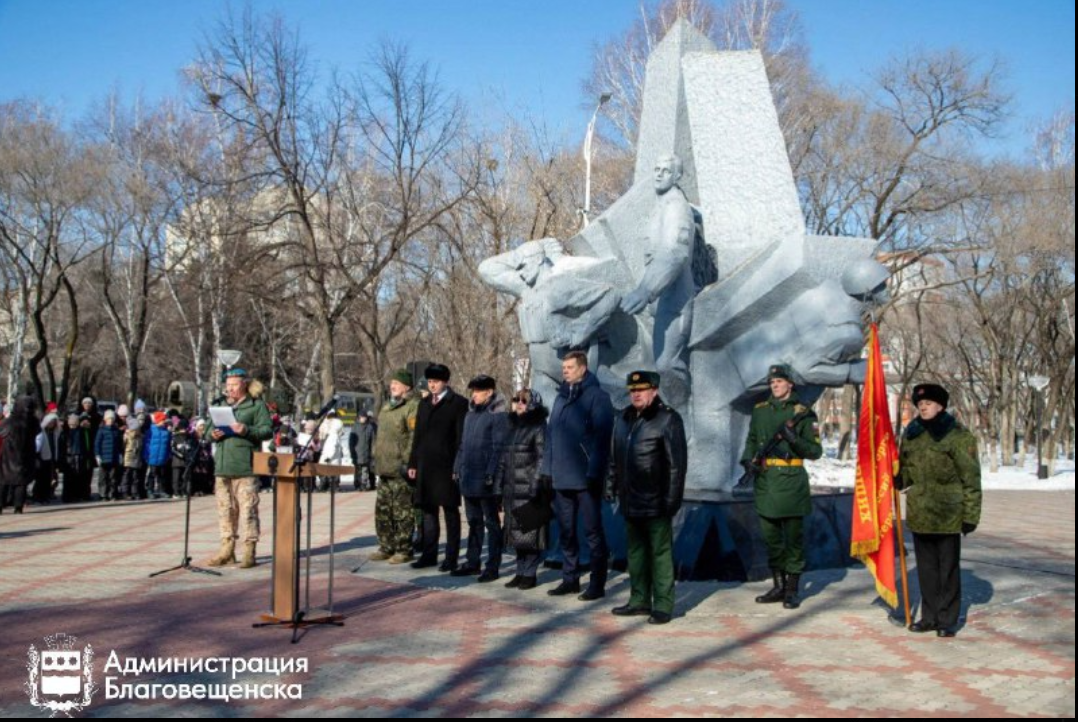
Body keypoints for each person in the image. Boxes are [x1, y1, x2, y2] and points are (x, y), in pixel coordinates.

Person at [898, 383, 982, 638]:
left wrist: (970, 515)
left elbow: (971, 478)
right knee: (926, 570)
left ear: (941, 406)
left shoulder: (958, 436)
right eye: (920, 404)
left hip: (948, 513)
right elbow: (906, 470)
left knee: (947, 569)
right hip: (921, 511)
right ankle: (929, 616)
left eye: (929, 404)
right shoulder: (911, 434)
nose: (923, 407)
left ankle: (947, 619)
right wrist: (898, 478)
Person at [740, 363, 822, 610]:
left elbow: (815, 451)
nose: (775, 386)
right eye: (772, 383)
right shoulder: (761, 410)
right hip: (766, 480)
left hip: (791, 479)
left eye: (779, 382)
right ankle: (778, 585)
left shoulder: (804, 413)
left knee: (793, 540)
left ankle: (792, 589)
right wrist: (748, 461)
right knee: (771, 538)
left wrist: (794, 439)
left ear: (790, 384)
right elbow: (752, 440)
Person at [617, 154, 696, 409]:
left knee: (666, 364)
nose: (659, 174)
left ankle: (682, 417)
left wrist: (645, 290)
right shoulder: (660, 206)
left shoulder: (676, 205)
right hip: (660, 298)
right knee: (655, 365)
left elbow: (675, 253)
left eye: (666, 170)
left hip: (675, 297)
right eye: (656, 169)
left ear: (676, 177)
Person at [608, 371, 687, 625]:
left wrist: (671, 500)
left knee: (660, 554)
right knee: (636, 554)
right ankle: (639, 600)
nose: (636, 394)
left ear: (654, 390)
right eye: (633, 390)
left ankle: (663, 604)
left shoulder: (668, 419)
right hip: (630, 499)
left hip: (656, 500)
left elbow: (676, 466)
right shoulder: (623, 418)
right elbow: (614, 458)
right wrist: (611, 485)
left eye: (641, 390)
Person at [541, 350, 615, 600]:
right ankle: (569, 579)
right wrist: (547, 470)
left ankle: (597, 583)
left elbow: (602, 439)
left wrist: (595, 471)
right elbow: (551, 437)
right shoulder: (560, 399)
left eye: (570, 367)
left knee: (593, 532)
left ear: (583, 368)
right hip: (562, 477)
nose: (565, 371)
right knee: (566, 531)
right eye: (564, 368)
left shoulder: (597, 397)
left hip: (585, 477)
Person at [207, 368, 273, 569]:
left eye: (234, 385)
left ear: (244, 384)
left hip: (246, 467)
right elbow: (208, 429)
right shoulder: (219, 405)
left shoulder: (256, 405)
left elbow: (267, 430)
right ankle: (227, 550)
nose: (230, 389)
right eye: (227, 385)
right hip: (223, 466)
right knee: (225, 510)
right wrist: (212, 434)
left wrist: (246, 430)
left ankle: (249, 550)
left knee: (248, 510)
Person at [409, 363, 469, 571]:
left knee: (450, 511)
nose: (432, 385)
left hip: (446, 466)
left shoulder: (458, 403)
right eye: (430, 382)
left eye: (436, 382)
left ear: (445, 382)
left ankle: (451, 557)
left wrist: (457, 465)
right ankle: (429, 553)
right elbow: (417, 437)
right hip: (426, 465)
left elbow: (461, 437)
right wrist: (413, 462)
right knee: (427, 511)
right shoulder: (423, 404)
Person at [452, 375, 509, 582]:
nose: (474, 395)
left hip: (486, 480)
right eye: (473, 391)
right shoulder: (470, 415)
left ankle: (492, 566)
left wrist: (491, 474)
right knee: (473, 522)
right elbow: (463, 445)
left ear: (489, 392)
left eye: (478, 391)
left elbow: (499, 448)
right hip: (468, 477)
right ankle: (472, 561)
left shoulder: (498, 416)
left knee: (491, 524)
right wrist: (457, 466)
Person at [498, 388, 549, 590]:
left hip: (530, 488)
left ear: (533, 404)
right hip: (512, 489)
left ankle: (530, 573)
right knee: (515, 534)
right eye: (516, 399)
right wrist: (499, 486)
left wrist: (536, 484)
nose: (519, 403)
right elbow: (503, 459)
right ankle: (520, 571)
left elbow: (542, 457)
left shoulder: (538, 427)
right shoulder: (511, 427)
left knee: (530, 533)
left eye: (524, 400)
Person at [368, 370, 420, 564]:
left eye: (397, 383)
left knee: (402, 512)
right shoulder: (386, 408)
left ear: (407, 387)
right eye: (392, 383)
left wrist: (407, 462)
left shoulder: (412, 407)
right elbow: (380, 436)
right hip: (384, 468)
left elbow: (413, 438)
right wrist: (375, 456)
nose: (392, 386)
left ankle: (404, 549)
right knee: (383, 511)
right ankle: (386, 546)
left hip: (400, 469)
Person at [0, 396, 39, 514]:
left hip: (8, 456)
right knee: (21, 483)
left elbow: (1, 432)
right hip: (25, 455)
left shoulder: (10, 421)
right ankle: (18, 506)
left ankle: (1, 505)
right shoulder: (33, 421)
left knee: (3, 481)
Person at [94, 409, 124, 501]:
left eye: (112, 419)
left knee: (113, 477)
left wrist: (120, 454)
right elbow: (97, 443)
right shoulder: (101, 430)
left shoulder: (116, 431)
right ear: (105, 420)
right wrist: (97, 455)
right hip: (104, 458)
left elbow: (119, 444)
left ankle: (113, 493)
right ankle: (103, 494)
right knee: (103, 478)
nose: (110, 421)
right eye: (108, 419)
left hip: (114, 458)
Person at [349, 410, 376, 491]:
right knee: (357, 470)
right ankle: (357, 484)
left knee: (365, 470)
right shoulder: (355, 427)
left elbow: (373, 441)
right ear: (359, 418)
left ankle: (363, 484)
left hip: (366, 452)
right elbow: (351, 441)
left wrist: (373, 452)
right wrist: (352, 452)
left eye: (365, 417)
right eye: (362, 417)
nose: (364, 419)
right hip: (357, 452)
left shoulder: (369, 427)